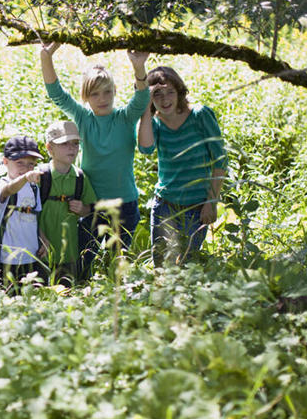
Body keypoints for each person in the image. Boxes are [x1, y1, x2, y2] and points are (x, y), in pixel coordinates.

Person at [40, 43, 150, 253]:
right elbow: (56, 94)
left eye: (107, 92)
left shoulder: (125, 118)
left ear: (115, 91)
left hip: (124, 204)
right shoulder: (83, 118)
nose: (102, 99)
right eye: (95, 94)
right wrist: (46, 56)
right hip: (90, 203)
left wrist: (139, 67)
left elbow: (142, 98)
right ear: (85, 97)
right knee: (84, 260)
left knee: (118, 263)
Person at [137, 66, 228, 266]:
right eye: (157, 94)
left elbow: (220, 160)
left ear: (180, 92)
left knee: (187, 265)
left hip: (197, 207)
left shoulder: (199, 115)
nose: (165, 99)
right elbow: (145, 149)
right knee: (161, 266)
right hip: (165, 205)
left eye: (170, 91)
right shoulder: (154, 123)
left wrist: (211, 201)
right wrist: (145, 108)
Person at [38, 120, 97, 285]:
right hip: (41, 250)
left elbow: (89, 209)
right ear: (49, 148)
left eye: (75, 143)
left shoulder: (79, 178)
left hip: (69, 254)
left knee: (66, 294)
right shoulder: (41, 177)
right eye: (64, 144)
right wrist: (40, 237)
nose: (72, 148)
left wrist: (82, 209)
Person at [0, 135, 48, 289]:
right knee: (11, 297)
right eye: (19, 163)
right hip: (10, 258)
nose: (25, 168)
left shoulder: (33, 188)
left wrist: (43, 240)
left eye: (31, 164)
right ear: (5, 162)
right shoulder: (1, 185)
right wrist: (25, 178)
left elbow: (34, 217)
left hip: (32, 254)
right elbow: (8, 190)